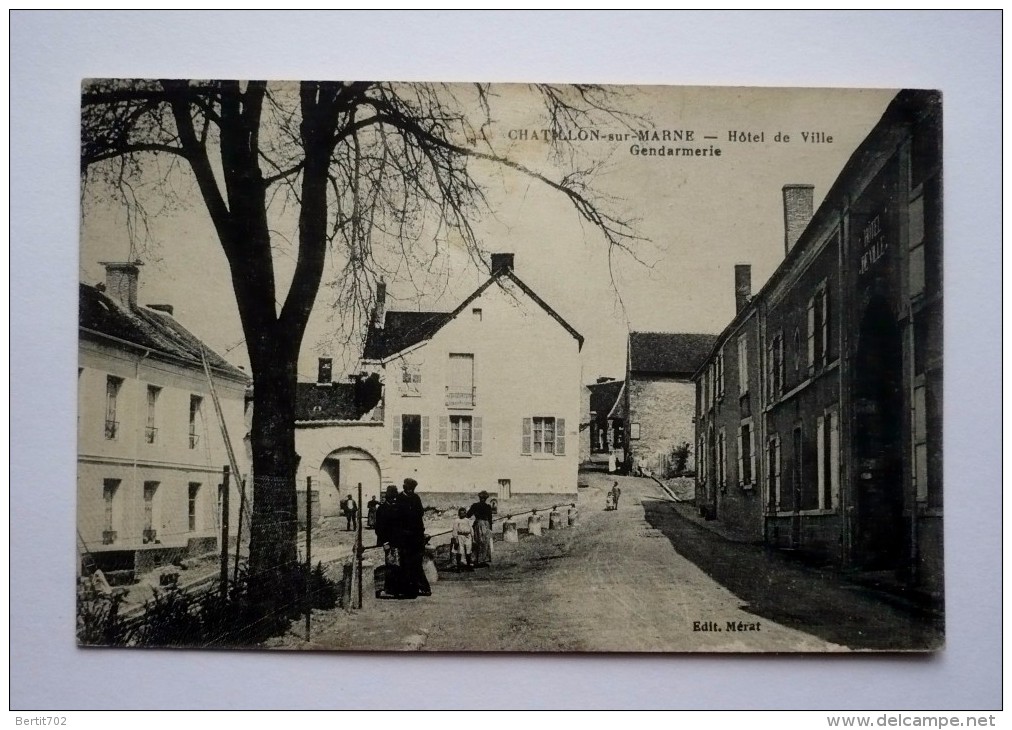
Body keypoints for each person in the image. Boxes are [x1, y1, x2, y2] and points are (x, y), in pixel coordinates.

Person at [395, 478, 431, 598]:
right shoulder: (400, 498)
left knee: (416, 563)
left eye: (412, 489)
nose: (411, 490)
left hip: (416, 536)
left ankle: (417, 588)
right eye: (409, 488)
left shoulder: (416, 498)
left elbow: (420, 514)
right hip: (405, 537)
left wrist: (422, 534)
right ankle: (408, 590)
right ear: (404, 487)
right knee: (405, 563)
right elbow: (398, 518)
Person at [374, 485, 403, 598]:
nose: (393, 498)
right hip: (388, 543)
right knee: (390, 565)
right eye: (392, 496)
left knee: (398, 566)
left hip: (398, 541)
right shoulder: (382, 509)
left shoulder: (398, 508)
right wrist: (385, 542)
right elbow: (379, 528)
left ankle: (397, 589)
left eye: (395, 496)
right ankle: (389, 589)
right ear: (388, 496)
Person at [467, 490, 494, 567]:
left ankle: (476, 559)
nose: (482, 499)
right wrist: (490, 529)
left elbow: (468, 515)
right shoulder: (488, 507)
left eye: (483, 498)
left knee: (476, 541)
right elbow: (490, 519)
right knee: (484, 542)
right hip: (486, 525)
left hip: (478, 524)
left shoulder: (475, 505)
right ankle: (482, 559)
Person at [451, 507, 474, 572]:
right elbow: (455, 530)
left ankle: (468, 566)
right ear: (459, 513)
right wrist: (455, 539)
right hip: (460, 536)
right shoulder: (456, 520)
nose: (462, 514)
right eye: (460, 513)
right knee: (459, 552)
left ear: (465, 513)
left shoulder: (468, 520)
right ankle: (459, 567)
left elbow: (471, 529)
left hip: (468, 537)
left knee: (468, 551)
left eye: (463, 513)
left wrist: (473, 538)